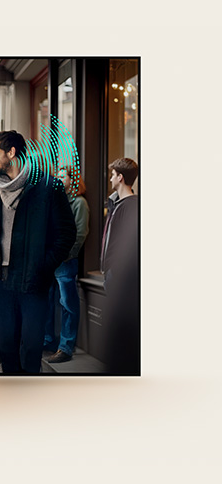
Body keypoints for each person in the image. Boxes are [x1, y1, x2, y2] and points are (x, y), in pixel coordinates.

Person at [0, 130, 77, 374]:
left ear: (12, 153)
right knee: (6, 347)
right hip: (0, 283)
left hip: (33, 283)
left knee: (31, 349)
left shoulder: (48, 187)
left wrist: (43, 266)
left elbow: (67, 233)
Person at [43, 167, 90, 363]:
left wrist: (63, 255)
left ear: (73, 180)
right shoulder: (56, 199)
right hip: (51, 261)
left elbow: (80, 234)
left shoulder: (79, 203)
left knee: (68, 305)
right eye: (58, 175)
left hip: (66, 262)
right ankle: (48, 341)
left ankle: (66, 347)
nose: (59, 179)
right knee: (48, 302)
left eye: (63, 176)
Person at [100, 157, 140, 374]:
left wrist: (114, 268)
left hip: (118, 276)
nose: (110, 178)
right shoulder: (117, 203)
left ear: (120, 177)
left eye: (113, 174)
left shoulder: (131, 207)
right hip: (110, 274)